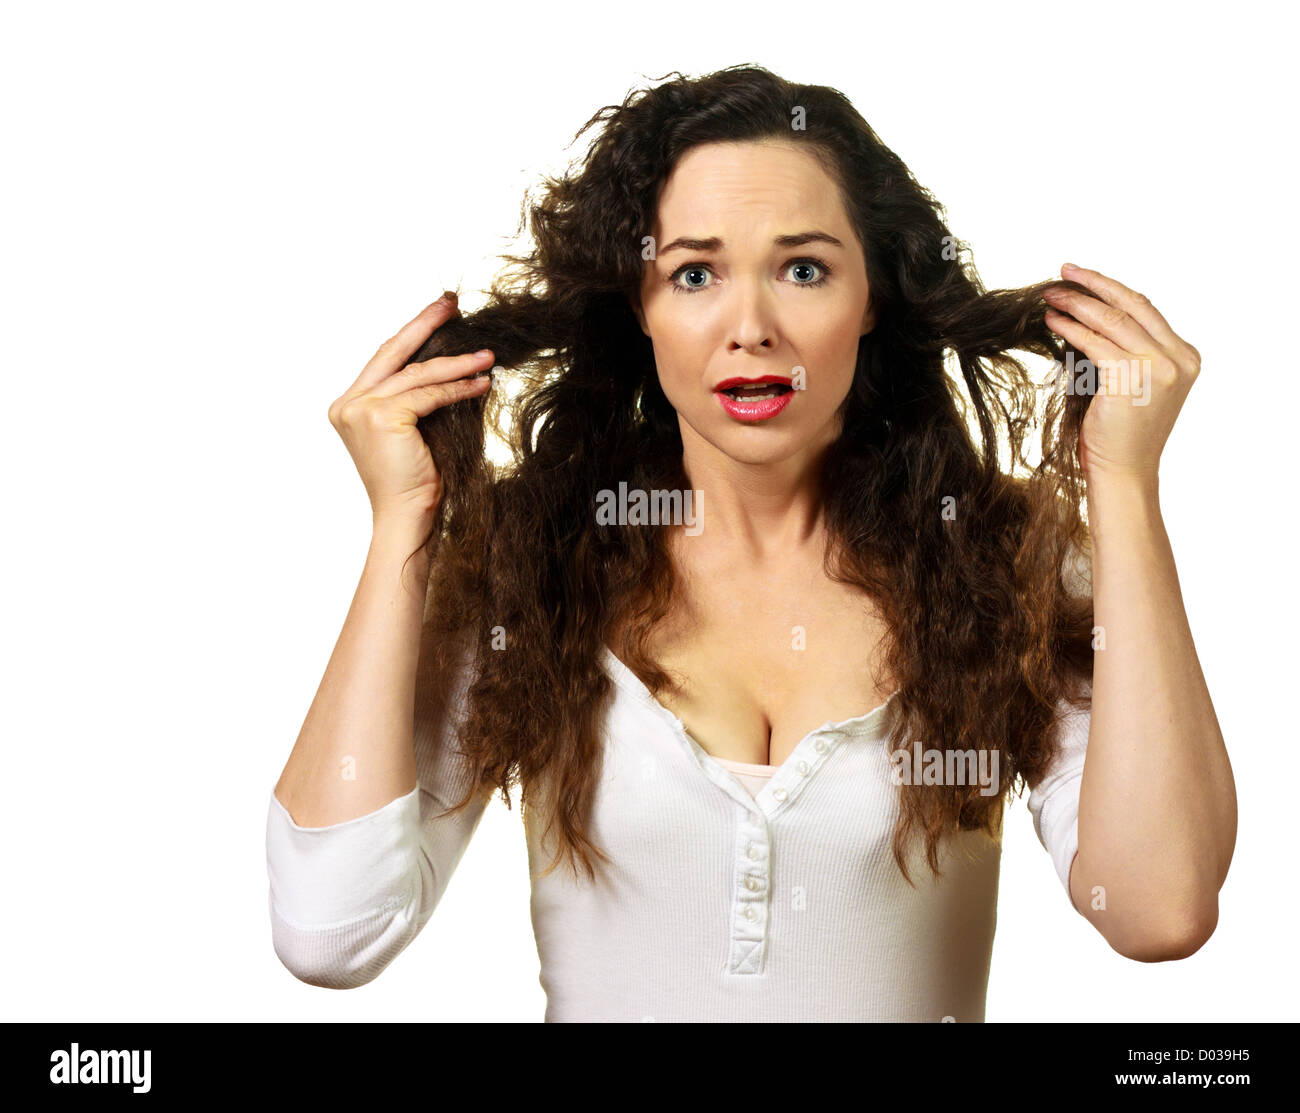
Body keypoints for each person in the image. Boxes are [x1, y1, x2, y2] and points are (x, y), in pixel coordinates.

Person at [265, 65, 1236, 1022]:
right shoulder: (530, 568)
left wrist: (1122, 486)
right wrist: (404, 524)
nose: (751, 328)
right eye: (694, 274)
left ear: (872, 300)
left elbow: (1157, 908)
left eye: (802, 269)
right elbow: (329, 930)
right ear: (638, 310)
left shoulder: (1001, 558)